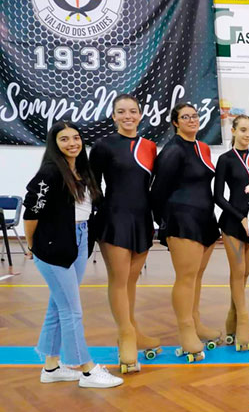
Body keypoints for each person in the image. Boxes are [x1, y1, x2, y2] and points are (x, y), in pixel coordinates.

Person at [23, 122, 122, 388]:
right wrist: (33, 245)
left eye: (76, 138)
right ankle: (86, 369)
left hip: (78, 241)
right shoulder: (50, 172)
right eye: (64, 139)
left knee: (58, 306)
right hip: (53, 246)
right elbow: (32, 212)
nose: (72, 143)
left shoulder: (82, 170)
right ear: (54, 143)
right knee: (72, 310)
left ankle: (51, 367)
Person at [89, 94, 160, 373]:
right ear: (114, 116)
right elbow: (92, 186)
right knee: (118, 280)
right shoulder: (104, 146)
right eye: (121, 111)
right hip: (114, 219)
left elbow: (155, 186)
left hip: (143, 219)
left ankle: (133, 329)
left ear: (140, 115)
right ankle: (126, 337)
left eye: (132, 111)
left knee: (131, 280)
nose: (127, 115)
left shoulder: (150, 147)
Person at [150, 103, 221, 362]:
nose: (192, 120)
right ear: (175, 123)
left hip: (204, 219)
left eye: (194, 115)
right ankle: (186, 331)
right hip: (183, 220)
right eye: (185, 117)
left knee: (197, 277)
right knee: (186, 278)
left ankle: (197, 323)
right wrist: (164, 222)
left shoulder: (202, 147)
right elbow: (157, 191)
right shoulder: (172, 151)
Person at [214, 114, 249, 351]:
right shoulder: (225, 160)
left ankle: (232, 321)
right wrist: (241, 217)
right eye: (243, 129)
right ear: (233, 131)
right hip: (234, 224)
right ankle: (243, 322)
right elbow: (218, 196)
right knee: (238, 272)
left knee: (244, 275)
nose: (247, 135)